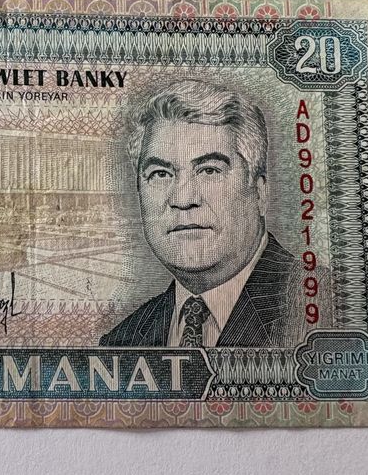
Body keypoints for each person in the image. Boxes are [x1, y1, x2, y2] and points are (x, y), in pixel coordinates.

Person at [99, 79, 328, 349]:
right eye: (160, 174)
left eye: (209, 170)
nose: (183, 200)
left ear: (259, 192)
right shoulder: (121, 342)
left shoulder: (328, 304)